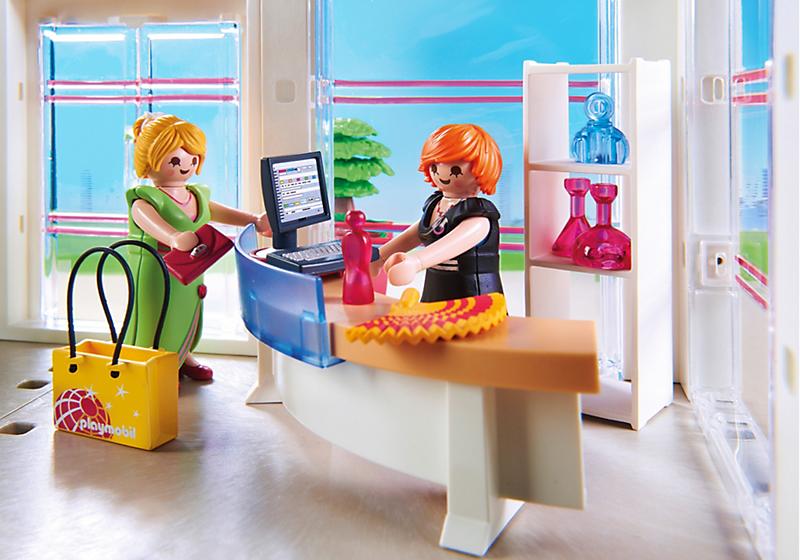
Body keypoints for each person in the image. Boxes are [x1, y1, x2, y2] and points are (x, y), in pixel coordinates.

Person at [125, 113, 271, 380]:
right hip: (158, 270)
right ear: (149, 160)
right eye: (175, 160)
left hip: (190, 269)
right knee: (156, 316)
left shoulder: (195, 195)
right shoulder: (146, 199)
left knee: (187, 313)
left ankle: (182, 355)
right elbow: (147, 220)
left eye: (193, 159)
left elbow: (215, 211)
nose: (186, 166)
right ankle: (155, 366)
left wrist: (253, 220)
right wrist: (173, 237)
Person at [374, 123, 503, 302]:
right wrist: (380, 256)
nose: (441, 173)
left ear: (482, 169)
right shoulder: (436, 204)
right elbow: (420, 231)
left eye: (455, 170)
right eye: (434, 167)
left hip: (473, 291)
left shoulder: (479, 216)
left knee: (470, 321)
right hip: (436, 285)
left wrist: (416, 262)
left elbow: (455, 241)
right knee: (430, 318)